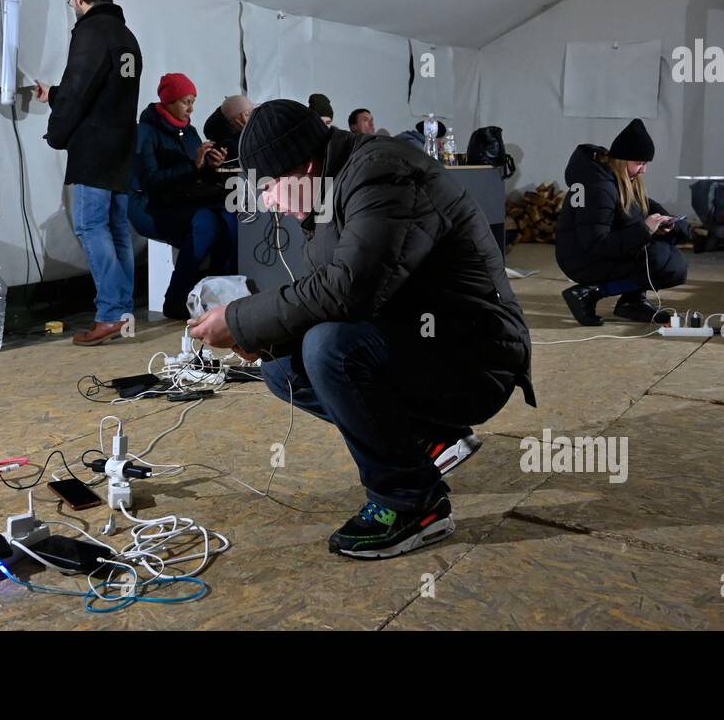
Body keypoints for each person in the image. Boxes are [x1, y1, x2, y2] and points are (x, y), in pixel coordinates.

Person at [189, 100, 534, 559]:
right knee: (282, 369)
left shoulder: (381, 175)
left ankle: (413, 502)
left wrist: (237, 319)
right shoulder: (334, 185)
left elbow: (349, 290)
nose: (268, 201)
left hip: (477, 355)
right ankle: (427, 438)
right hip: (431, 338)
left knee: (331, 349)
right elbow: (341, 294)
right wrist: (260, 337)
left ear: (306, 167)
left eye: (271, 186)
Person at [35, 0, 142, 346]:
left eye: (72, 0)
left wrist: (57, 132)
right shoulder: (126, 37)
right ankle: (124, 315)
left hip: (94, 150)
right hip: (121, 147)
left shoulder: (90, 31)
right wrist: (57, 94)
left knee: (90, 227)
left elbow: (82, 88)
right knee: (117, 230)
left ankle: (110, 314)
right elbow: (104, 87)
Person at [556, 118, 689, 326]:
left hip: (590, 253)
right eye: (639, 163)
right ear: (620, 160)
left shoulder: (620, 182)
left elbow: (645, 209)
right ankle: (588, 293)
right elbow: (595, 243)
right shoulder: (599, 189)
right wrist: (645, 230)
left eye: (645, 164)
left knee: (669, 257)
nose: (643, 170)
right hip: (582, 258)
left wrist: (669, 225)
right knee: (661, 260)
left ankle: (632, 302)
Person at [128, 73, 238, 320]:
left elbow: (196, 171)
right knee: (206, 223)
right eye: (185, 101)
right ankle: (176, 299)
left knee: (229, 219)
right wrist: (193, 163)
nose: (191, 108)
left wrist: (212, 165)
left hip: (182, 201)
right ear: (168, 101)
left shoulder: (189, 131)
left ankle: (217, 294)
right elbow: (149, 181)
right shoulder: (145, 132)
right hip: (150, 207)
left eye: (193, 101)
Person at [202, 94, 254, 161]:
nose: (252, 117)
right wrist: (248, 133)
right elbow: (252, 169)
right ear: (233, 121)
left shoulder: (222, 133)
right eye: (247, 114)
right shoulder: (233, 148)